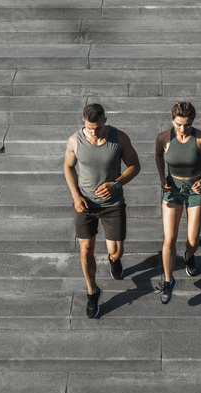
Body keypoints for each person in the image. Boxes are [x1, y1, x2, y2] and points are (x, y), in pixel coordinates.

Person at [64, 103, 141, 318]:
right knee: (85, 250)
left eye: (97, 127)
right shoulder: (74, 140)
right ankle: (92, 292)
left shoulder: (119, 138)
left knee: (115, 250)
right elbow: (68, 166)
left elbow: (135, 165)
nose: (94, 132)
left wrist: (116, 184)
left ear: (105, 120)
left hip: (113, 204)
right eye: (89, 128)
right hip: (85, 204)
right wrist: (76, 196)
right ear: (83, 122)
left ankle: (114, 260)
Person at [155, 101, 201, 304]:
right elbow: (157, 156)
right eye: (179, 124)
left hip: (194, 190)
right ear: (172, 120)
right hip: (172, 190)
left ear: (192, 122)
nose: (182, 129)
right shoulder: (164, 138)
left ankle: (189, 256)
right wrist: (162, 178)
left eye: (187, 125)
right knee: (168, 239)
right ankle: (168, 281)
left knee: (192, 240)